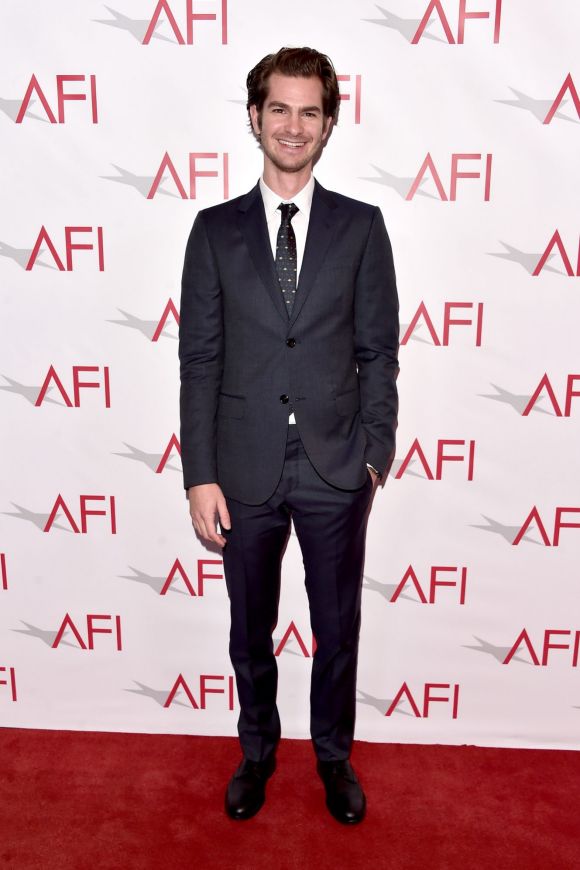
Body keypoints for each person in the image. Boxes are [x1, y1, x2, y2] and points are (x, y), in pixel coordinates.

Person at [179, 47, 399, 824]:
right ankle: (258, 751)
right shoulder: (212, 232)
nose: (294, 125)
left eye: (310, 111)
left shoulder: (363, 228)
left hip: (338, 465)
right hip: (242, 465)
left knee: (337, 627)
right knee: (251, 627)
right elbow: (199, 358)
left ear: (329, 123)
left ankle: (334, 759)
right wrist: (199, 472)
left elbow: (379, 350)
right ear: (254, 118)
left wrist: (375, 453)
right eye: (280, 109)